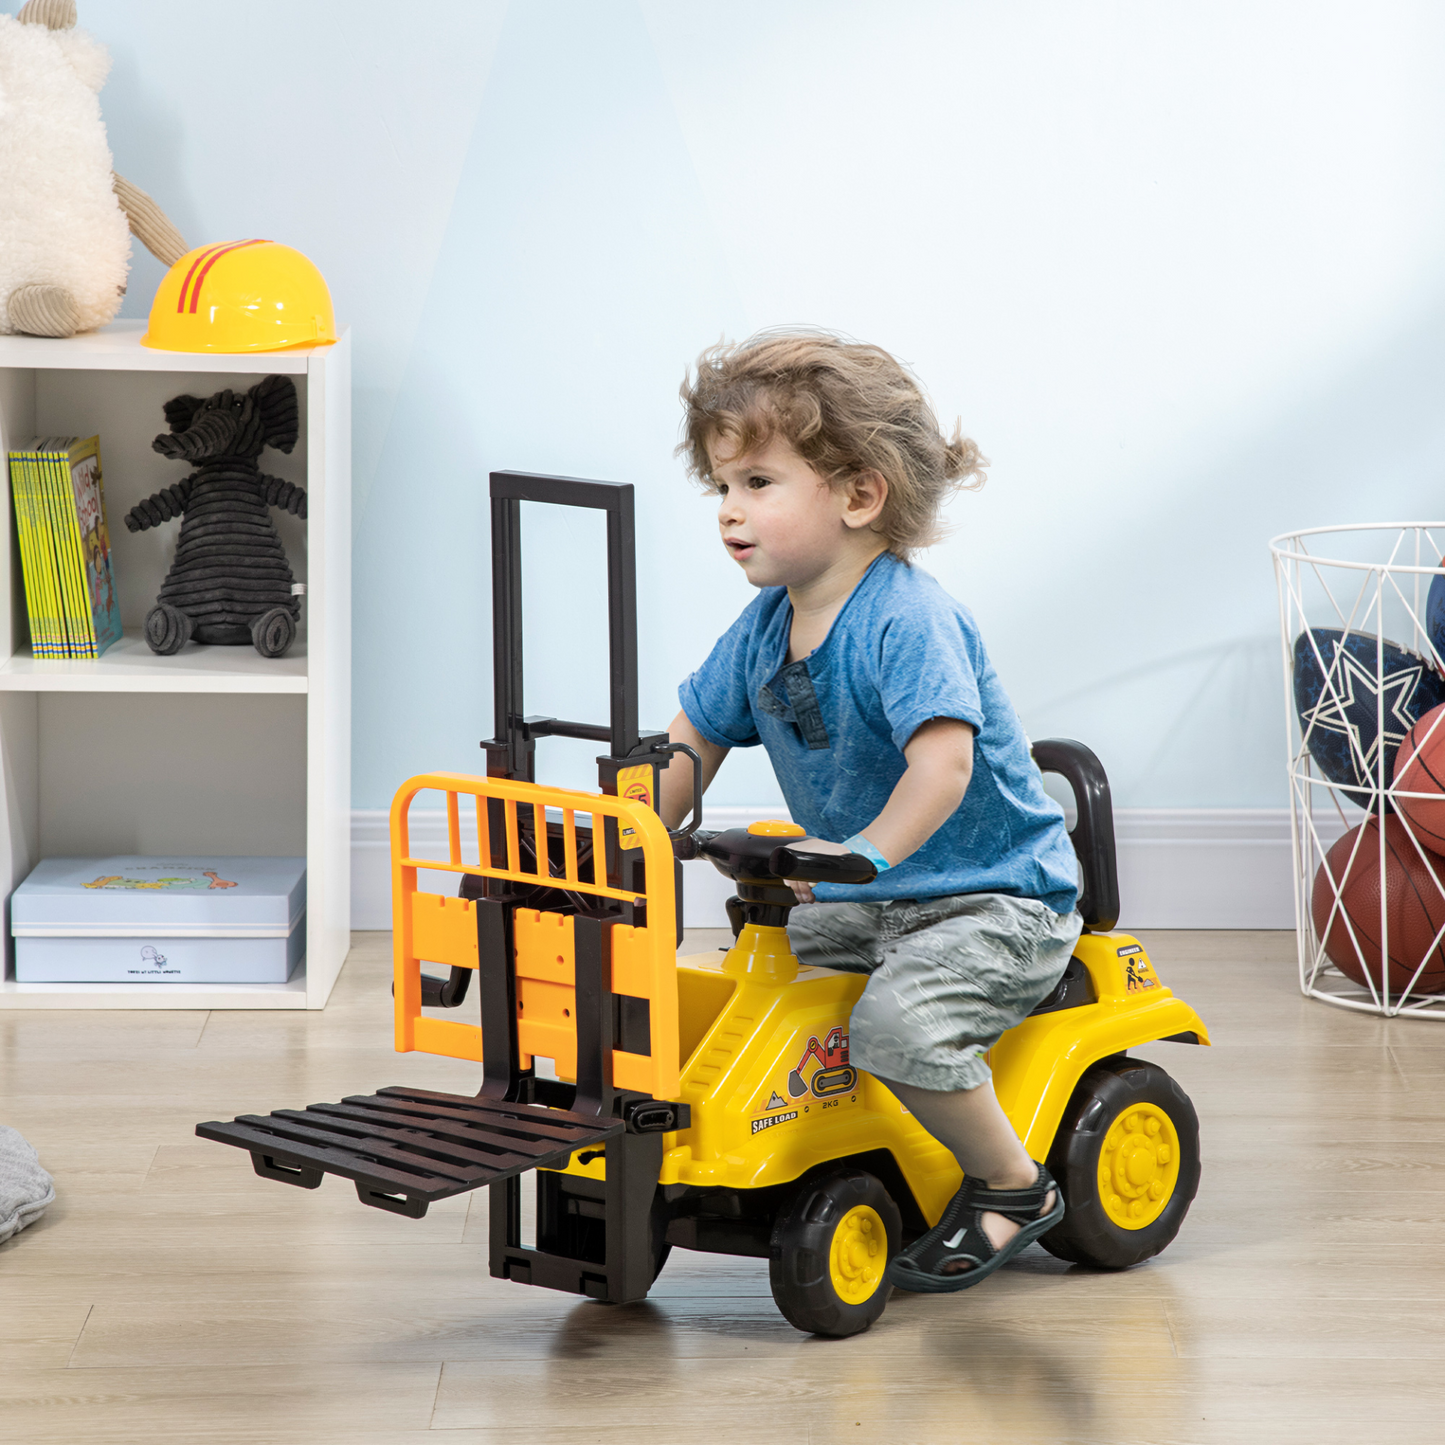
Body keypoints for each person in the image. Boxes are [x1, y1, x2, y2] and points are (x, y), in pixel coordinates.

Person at [657, 330, 1084, 1293]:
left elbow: (939, 768)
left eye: (757, 482)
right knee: (756, 1005)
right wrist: (624, 826)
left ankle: (1013, 1186)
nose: (728, 512)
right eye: (720, 487)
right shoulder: (765, 624)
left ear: (857, 494)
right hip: (868, 894)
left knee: (897, 1028)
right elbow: (690, 741)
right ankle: (833, 1151)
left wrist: (861, 854)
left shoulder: (907, 618)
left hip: (989, 898)